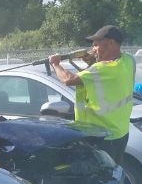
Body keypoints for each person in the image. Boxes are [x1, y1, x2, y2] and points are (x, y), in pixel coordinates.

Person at [49, 25, 136, 164]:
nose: (93, 49)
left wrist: (55, 64)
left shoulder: (102, 68)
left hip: (101, 138)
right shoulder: (128, 60)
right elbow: (106, 82)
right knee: (113, 175)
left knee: (99, 179)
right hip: (120, 133)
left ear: (111, 43)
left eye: (96, 45)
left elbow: (68, 79)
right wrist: (91, 60)